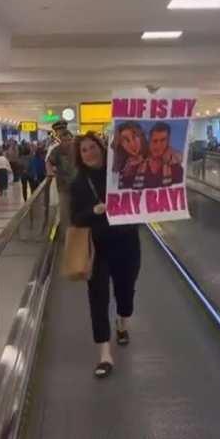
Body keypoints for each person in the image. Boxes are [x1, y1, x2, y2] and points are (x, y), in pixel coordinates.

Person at [70, 132, 141, 379]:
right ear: (79, 156)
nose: (90, 153)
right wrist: (94, 210)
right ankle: (104, 354)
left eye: (93, 147)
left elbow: (138, 201)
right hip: (97, 249)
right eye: (84, 150)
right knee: (98, 299)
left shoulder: (121, 175)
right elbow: (75, 219)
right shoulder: (77, 183)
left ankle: (122, 322)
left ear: (102, 148)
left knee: (126, 291)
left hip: (127, 241)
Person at [139, 122, 183, 189]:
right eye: (155, 141)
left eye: (162, 140)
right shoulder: (137, 166)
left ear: (168, 142)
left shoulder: (176, 169)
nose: (158, 146)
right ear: (149, 141)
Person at [47, 128, 75, 234]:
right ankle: (66, 235)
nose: (67, 142)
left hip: (78, 186)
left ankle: (77, 234)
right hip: (63, 187)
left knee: (77, 211)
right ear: (61, 141)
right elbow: (49, 162)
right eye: (64, 140)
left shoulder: (77, 149)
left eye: (69, 140)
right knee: (65, 212)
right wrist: (50, 172)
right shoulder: (57, 150)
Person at [112, 121, 148, 189]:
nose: (132, 144)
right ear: (121, 144)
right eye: (126, 140)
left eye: (134, 137)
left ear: (141, 137)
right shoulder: (120, 168)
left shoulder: (152, 163)